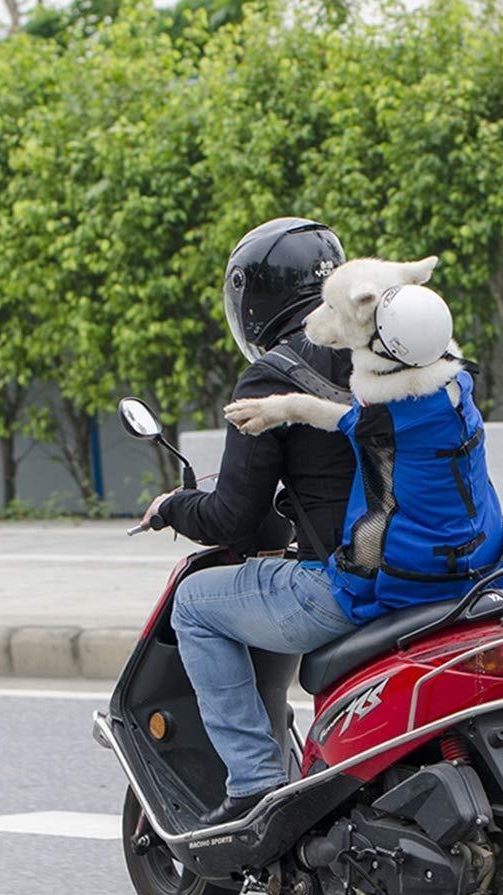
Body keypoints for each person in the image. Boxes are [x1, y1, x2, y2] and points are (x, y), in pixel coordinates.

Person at [140, 218, 359, 824]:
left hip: (351, 585)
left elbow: (235, 518)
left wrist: (171, 507)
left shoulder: (272, 377)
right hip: (456, 578)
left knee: (196, 604)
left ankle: (255, 783)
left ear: (254, 298)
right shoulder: (392, 353)